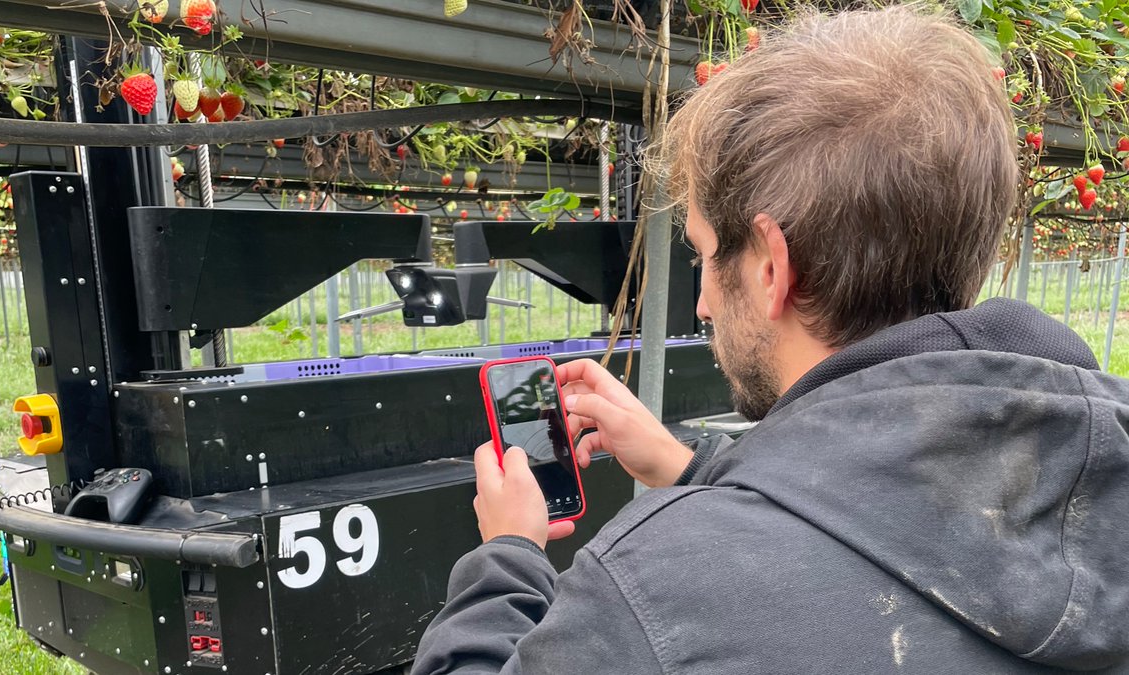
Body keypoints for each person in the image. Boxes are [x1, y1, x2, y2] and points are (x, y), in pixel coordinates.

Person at [413, 6, 1129, 673]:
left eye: (701, 257)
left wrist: (506, 556)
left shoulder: (650, 592)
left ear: (768, 267)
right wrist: (685, 462)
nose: (699, 302)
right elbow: (893, 513)